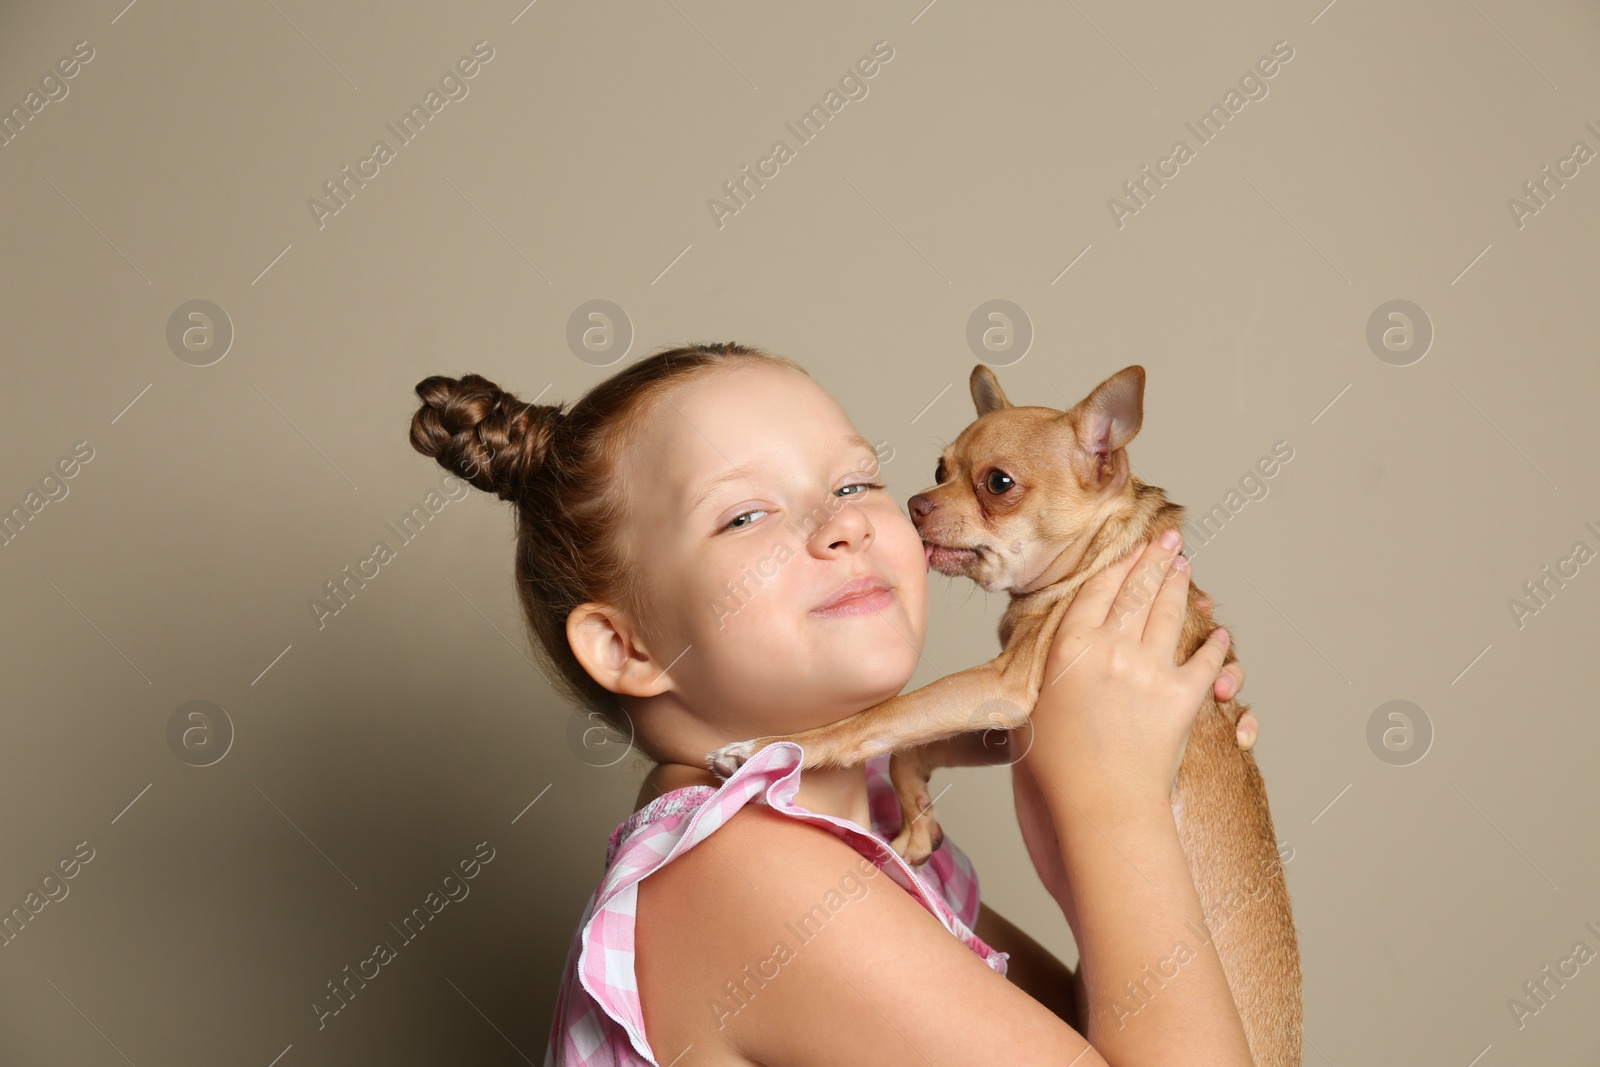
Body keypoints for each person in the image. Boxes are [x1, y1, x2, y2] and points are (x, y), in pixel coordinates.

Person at [409, 342, 1262, 1066]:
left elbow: (1113, 1033)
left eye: (856, 485)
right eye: (746, 514)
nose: (843, 524)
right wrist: (1119, 810)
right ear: (628, 647)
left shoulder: (872, 848)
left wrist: (1112, 783)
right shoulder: (743, 874)